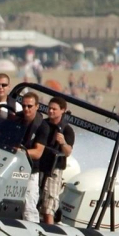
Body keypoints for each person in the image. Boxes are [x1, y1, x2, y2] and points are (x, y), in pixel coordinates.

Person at [33, 97, 75, 225]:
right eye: (49, 108)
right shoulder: (42, 124)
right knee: (34, 201)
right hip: (38, 166)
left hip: (54, 169)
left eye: (54, 109)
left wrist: (62, 142)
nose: (50, 111)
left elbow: (67, 152)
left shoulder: (67, 130)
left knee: (48, 205)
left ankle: (50, 229)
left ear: (62, 110)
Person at [17, 92, 44, 222]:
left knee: (29, 206)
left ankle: (33, 229)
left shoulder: (42, 126)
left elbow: (38, 152)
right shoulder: (17, 118)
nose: (26, 109)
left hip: (31, 170)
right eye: (24, 106)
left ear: (37, 106)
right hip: (13, 166)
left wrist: (20, 150)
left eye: (29, 106)